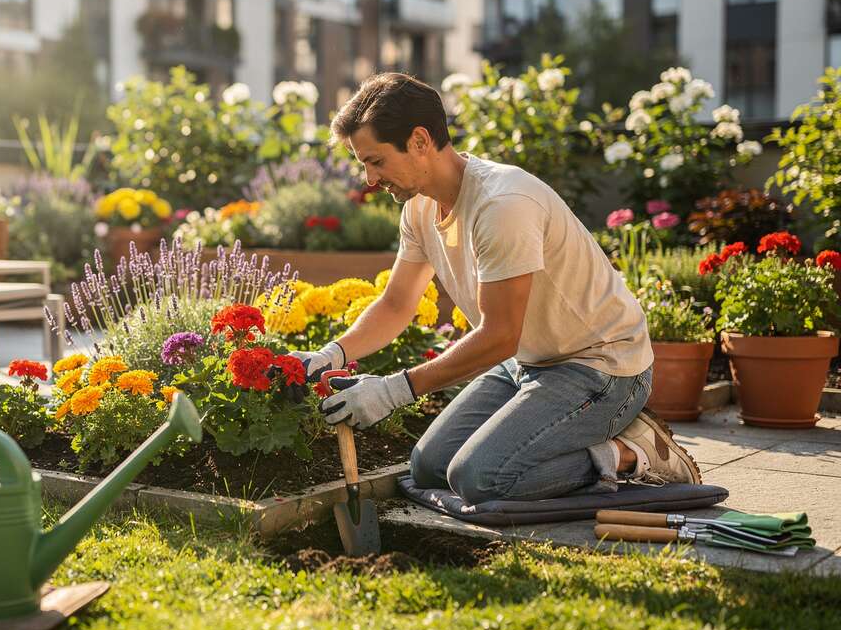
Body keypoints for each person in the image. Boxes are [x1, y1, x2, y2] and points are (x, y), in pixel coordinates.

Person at [293, 72, 700, 504]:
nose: (370, 180)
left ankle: (634, 453)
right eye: (363, 164)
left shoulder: (502, 205)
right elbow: (397, 304)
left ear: (418, 141)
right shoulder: (419, 207)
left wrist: (394, 390)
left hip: (602, 365)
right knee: (430, 467)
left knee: (479, 478)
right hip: (529, 362)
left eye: (376, 161)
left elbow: (500, 334)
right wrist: (331, 354)